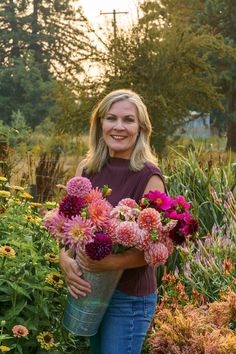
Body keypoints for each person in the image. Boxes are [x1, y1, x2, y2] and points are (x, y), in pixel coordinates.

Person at [59, 89, 166, 354]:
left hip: (128, 298)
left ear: (141, 128)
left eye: (128, 120)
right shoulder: (86, 170)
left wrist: (111, 263)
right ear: (100, 124)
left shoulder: (149, 177)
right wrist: (64, 259)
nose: (119, 127)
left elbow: (158, 249)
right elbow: (67, 224)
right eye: (111, 118)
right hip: (90, 289)